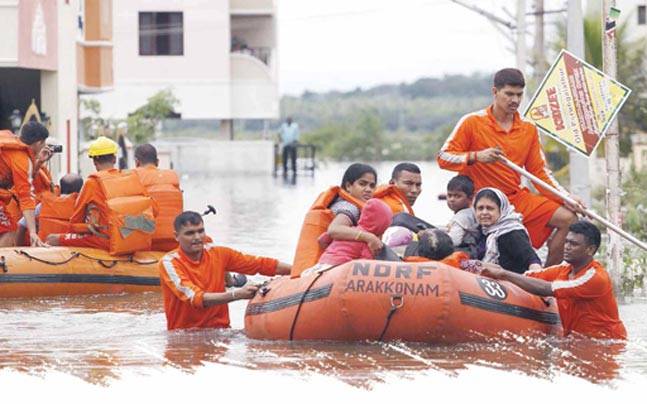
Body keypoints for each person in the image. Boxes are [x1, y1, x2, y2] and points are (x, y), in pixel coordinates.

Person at [437, 68, 581, 266]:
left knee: (568, 218)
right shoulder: (472, 122)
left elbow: (539, 172)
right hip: (481, 202)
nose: (515, 100)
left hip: (514, 199)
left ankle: (546, 277)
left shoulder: (529, 129)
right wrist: (477, 156)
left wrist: (565, 197)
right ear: (495, 92)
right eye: (509, 94)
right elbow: (443, 158)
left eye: (519, 95)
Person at [481, 221, 627, 340]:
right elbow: (530, 276)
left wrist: (504, 274)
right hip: (577, 339)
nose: (567, 247)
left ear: (590, 249)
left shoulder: (595, 277)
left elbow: (546, 288)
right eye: (567, 242)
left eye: (574, 244)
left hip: (607, 341)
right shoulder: (564, 269)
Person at [159, 211, 292, 330]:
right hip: (185, 336)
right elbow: (195, 298)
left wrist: (300, 270)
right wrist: (237, 294)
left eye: (201, 231)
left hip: (222, 330)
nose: (197, 237)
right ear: (176, 236)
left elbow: (259, 264)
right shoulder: (169, 262)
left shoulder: (219, 253)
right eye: (190, 233)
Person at [47, 136, 155, 254]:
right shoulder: (132, 177)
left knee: (52, 238)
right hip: (132, 241)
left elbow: (73, 224)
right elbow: (153, 210)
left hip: (104, 241)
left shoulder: (92, 183)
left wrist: (88, 227)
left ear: (94, 162)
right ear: (114, 159)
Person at [290, 163, 378, 277]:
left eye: (372, 186)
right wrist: (369, 237)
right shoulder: (349, 207)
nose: (368, 189)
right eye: (362, 184)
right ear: (348, 186)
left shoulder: (346, 204)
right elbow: (334, 230)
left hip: (318, 271)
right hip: (321, 272)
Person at [0, 122, 52, 247]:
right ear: (39, 142)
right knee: (10, 231)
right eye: (44, 143)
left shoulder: (5, 138)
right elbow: (25, 196)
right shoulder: (21, 158)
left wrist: (38, 163)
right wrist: (33, 232)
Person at [474, 187, 542, 274]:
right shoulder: (482, 231)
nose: (484, 213)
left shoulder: (512, 233)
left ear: (501, 209)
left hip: (512, 284)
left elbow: (532, 261)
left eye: (490, 208)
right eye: (480, 208)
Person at [133, 143, 183, 251]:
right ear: (157, 162)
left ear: (137, 162)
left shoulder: (132, 176)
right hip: (177, 240)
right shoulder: (173, 176)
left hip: (149, 242)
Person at [318, 198, 392, 266]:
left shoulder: (347, 231)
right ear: (381, 226)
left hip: (321, 265)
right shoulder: (369, 243)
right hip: (338, 269)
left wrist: (331, 253)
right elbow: (366, 267)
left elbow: (322, 240)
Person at [16, 173, 84, 244]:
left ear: (60, 188)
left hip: (44, 250)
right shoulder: (82, 206)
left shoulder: (44, 204)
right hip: (72, 251)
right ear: (81, 190)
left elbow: (21, 225)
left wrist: (19, 247)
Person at [445, 175, 480, 256]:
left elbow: (454, 241)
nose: (452, 199)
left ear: (470, 198)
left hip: (469, 253)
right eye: (449, 195)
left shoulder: (462, 216)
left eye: (457, 196)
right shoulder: (473, 212)